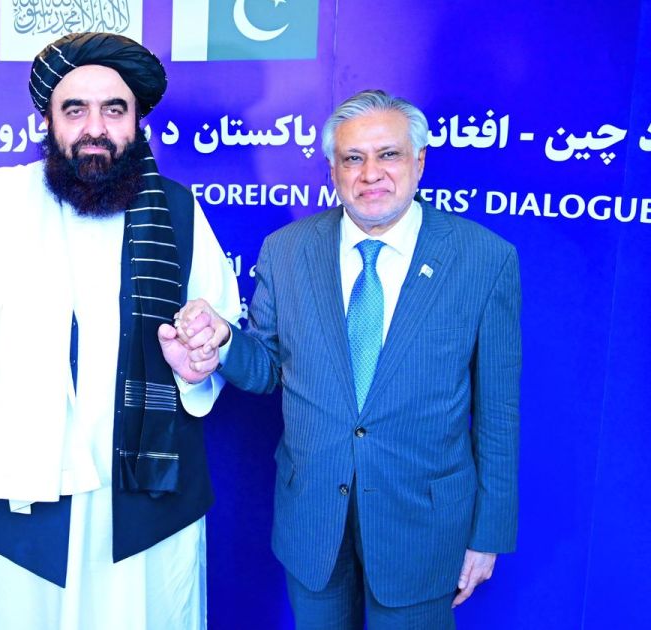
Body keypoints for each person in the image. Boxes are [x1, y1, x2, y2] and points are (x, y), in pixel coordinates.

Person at [0, 32, 240, 629]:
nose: (95, 128)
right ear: (48, 121)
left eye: (114, 110)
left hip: (145, 495)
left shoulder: (177, 210)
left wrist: (203, 357)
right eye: (75, 110)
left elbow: (219, 334)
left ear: (137, 122)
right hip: (21, 495)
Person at [172, 89, 521, 628]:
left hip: (424, 529)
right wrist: (223, 344)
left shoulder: (484, 259)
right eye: (353, 158)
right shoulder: (286, 251)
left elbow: (498, 414)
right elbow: (267, 366)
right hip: (314, 520)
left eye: (388, 155)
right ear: (333, 169)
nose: (370, 173)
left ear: (419, 161)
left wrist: (487, 535)